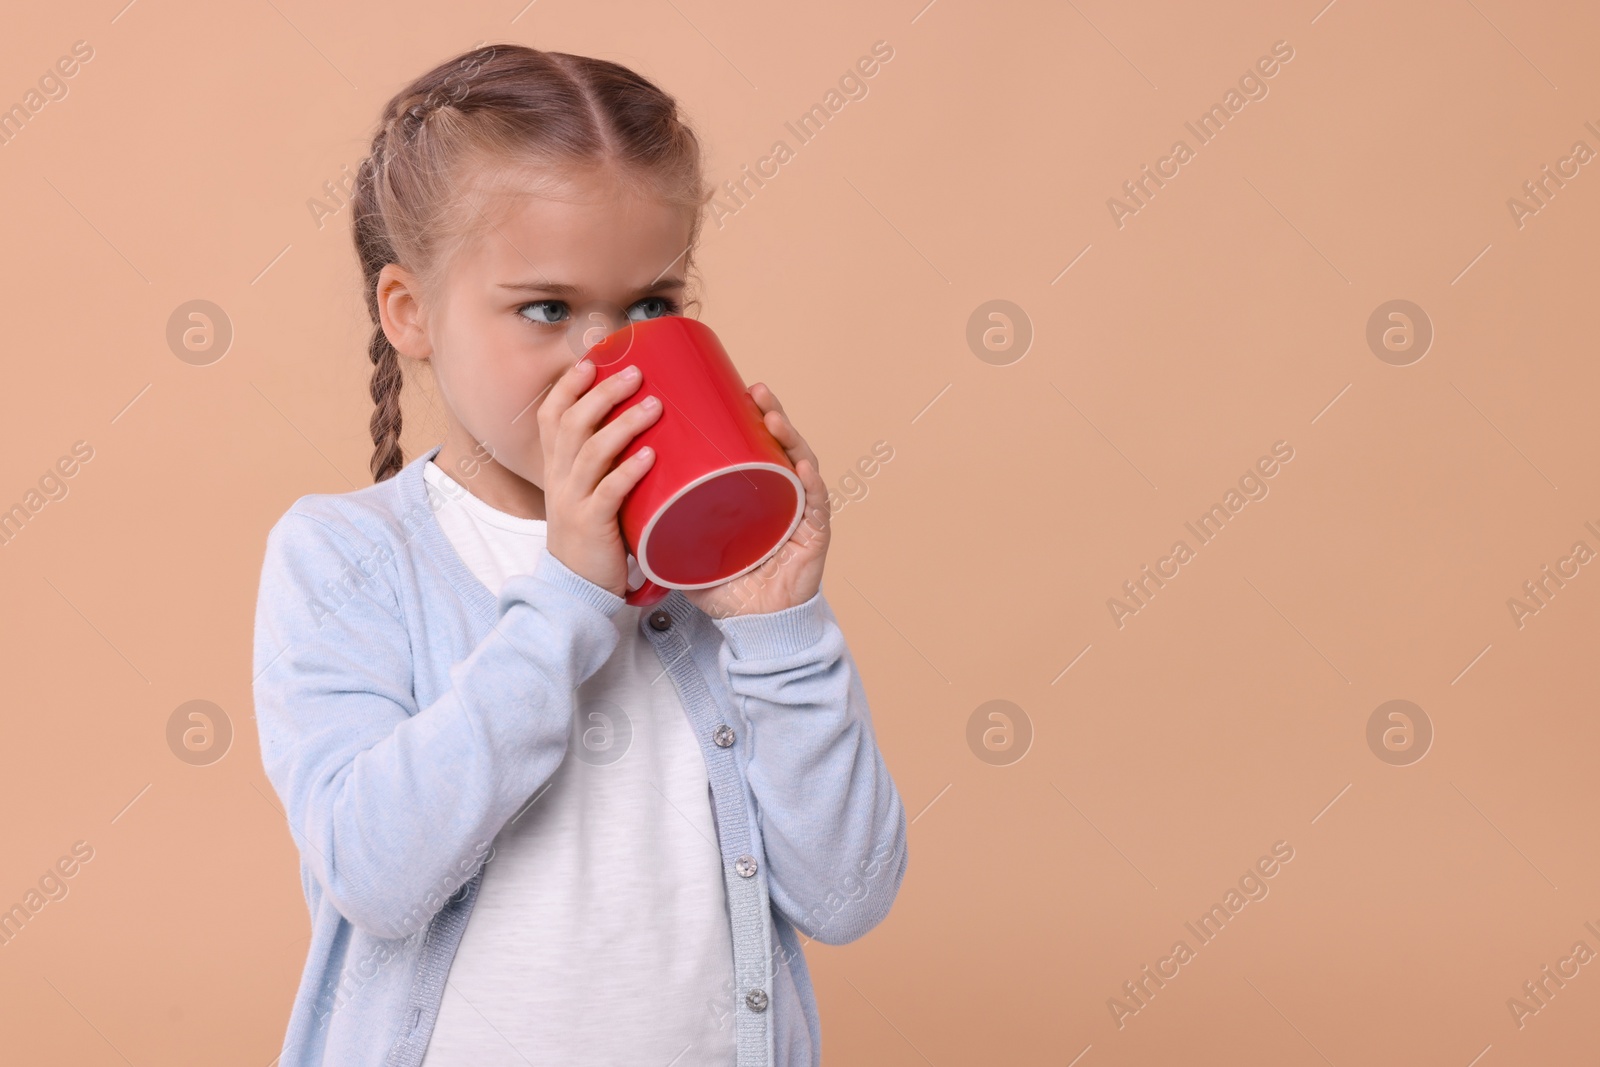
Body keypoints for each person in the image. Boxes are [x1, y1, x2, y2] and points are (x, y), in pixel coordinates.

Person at [250, 42, 908, 1067]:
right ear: (410, 313)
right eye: (547, 308)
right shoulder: (346, 557)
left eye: (650, 305)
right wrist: (565, 597)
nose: (605, 360)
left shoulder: (711, 569)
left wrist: (781, 625)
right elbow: (375, 873)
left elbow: (848, 893)